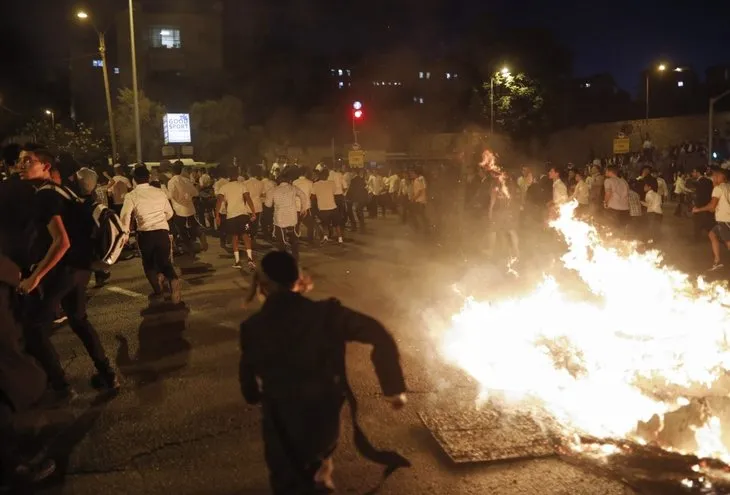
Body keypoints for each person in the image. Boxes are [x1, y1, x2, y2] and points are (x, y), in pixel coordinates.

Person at [240, 251, 409, 494]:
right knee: (318, 472)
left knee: (289, 482)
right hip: (323, 420)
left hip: (280, 423)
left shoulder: (252, 327)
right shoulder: (326, 314)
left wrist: (257, 394)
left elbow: (248, 387)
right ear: (297, 278)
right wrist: (393, 388)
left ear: (262, 285)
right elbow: (378, 333)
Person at [18, 147, 119, 398]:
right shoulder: (65, 192)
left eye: (28, 161)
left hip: (63, 270)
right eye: (19, 161)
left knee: (32, 328)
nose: (21, 165)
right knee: (78, 319)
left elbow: (61, 242)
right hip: (81, 268)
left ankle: (61, 386)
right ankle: (107, 374)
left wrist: (35, 277)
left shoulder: (44, 196)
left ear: (46, 167)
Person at [120, 165, 182, 303]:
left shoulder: (131, 195)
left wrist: (125, 233)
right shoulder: (159, 192)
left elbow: (125, 216)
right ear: (148, 178)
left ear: (134, 179)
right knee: (164, 262)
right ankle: (173, 280)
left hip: (145, 234)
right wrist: (160, 221)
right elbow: (170, 213)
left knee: (148, 264)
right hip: (162, 232)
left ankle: (158, 291)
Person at [264, 168, 310, 260]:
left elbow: (268, 205)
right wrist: (303, 209)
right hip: (292, 218)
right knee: (294, 239)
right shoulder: (293, 188)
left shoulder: (273, 190)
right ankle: (295, 257)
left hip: (279, 219)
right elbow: (303, 196)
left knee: (281, 241)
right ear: (288, 180)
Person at [216, 167, 257, 269]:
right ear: (237, 175)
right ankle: (250, 259)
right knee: (245, 235)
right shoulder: (242, 186)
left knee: (234, 237)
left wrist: (217, 215)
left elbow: (219, 202)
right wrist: (253, 212)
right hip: (243, 215)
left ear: (229, 176)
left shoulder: (224, 187)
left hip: (231, 216)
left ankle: (238, 261)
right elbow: (248, 198)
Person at [168, 161, 207, 258]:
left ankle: (190, 249)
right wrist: (187, 197)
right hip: (189, 209)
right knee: (193, 225)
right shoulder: (186, 180)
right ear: (181, 170)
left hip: (178, 210)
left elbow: (171, 195)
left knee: (182, 230)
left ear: (172, 171)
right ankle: (200, 234)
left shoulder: (171, 181)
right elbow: (195, 193)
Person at [693, 167, 730, 271]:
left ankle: (717, 260)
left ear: (720, 177)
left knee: (728, 243)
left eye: (715, 176)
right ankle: (717, 260)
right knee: (712, 234)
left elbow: (712, 206)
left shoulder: (718, 189)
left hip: (725, 219)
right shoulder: (727, 187)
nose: (713, 178)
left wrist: (698, 210)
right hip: (725, 218)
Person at [312, 169, 344, 244]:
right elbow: (335, 192)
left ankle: (326, 237)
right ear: (327, 176)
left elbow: (313, 196)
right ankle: (340, 239)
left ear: (319, 175)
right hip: (332, 206)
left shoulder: (316, 184)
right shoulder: (332, 183)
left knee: (324, 224)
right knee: (337, 224)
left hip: (322, 207)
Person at [603, 165, 630, 231]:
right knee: (622, 229)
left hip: (614, 208)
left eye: (606, 170)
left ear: (610, 171)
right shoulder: (624, 181)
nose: (605, 172)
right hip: (625, 208)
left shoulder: (608, 181)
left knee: (613, 229)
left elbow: (608, 193)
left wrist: (605, 202)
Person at [641, 176, 662, 242]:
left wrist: (641, 202)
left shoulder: (648, 194)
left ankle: (651, 241)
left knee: (651, 228)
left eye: (645, 186)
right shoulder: (657, 194)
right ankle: (656, 240)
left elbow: (649, 205)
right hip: (659, 213)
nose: (644, 187)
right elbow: (660, 204)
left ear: (649, 187)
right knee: (656, 228)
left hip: (652, 213)